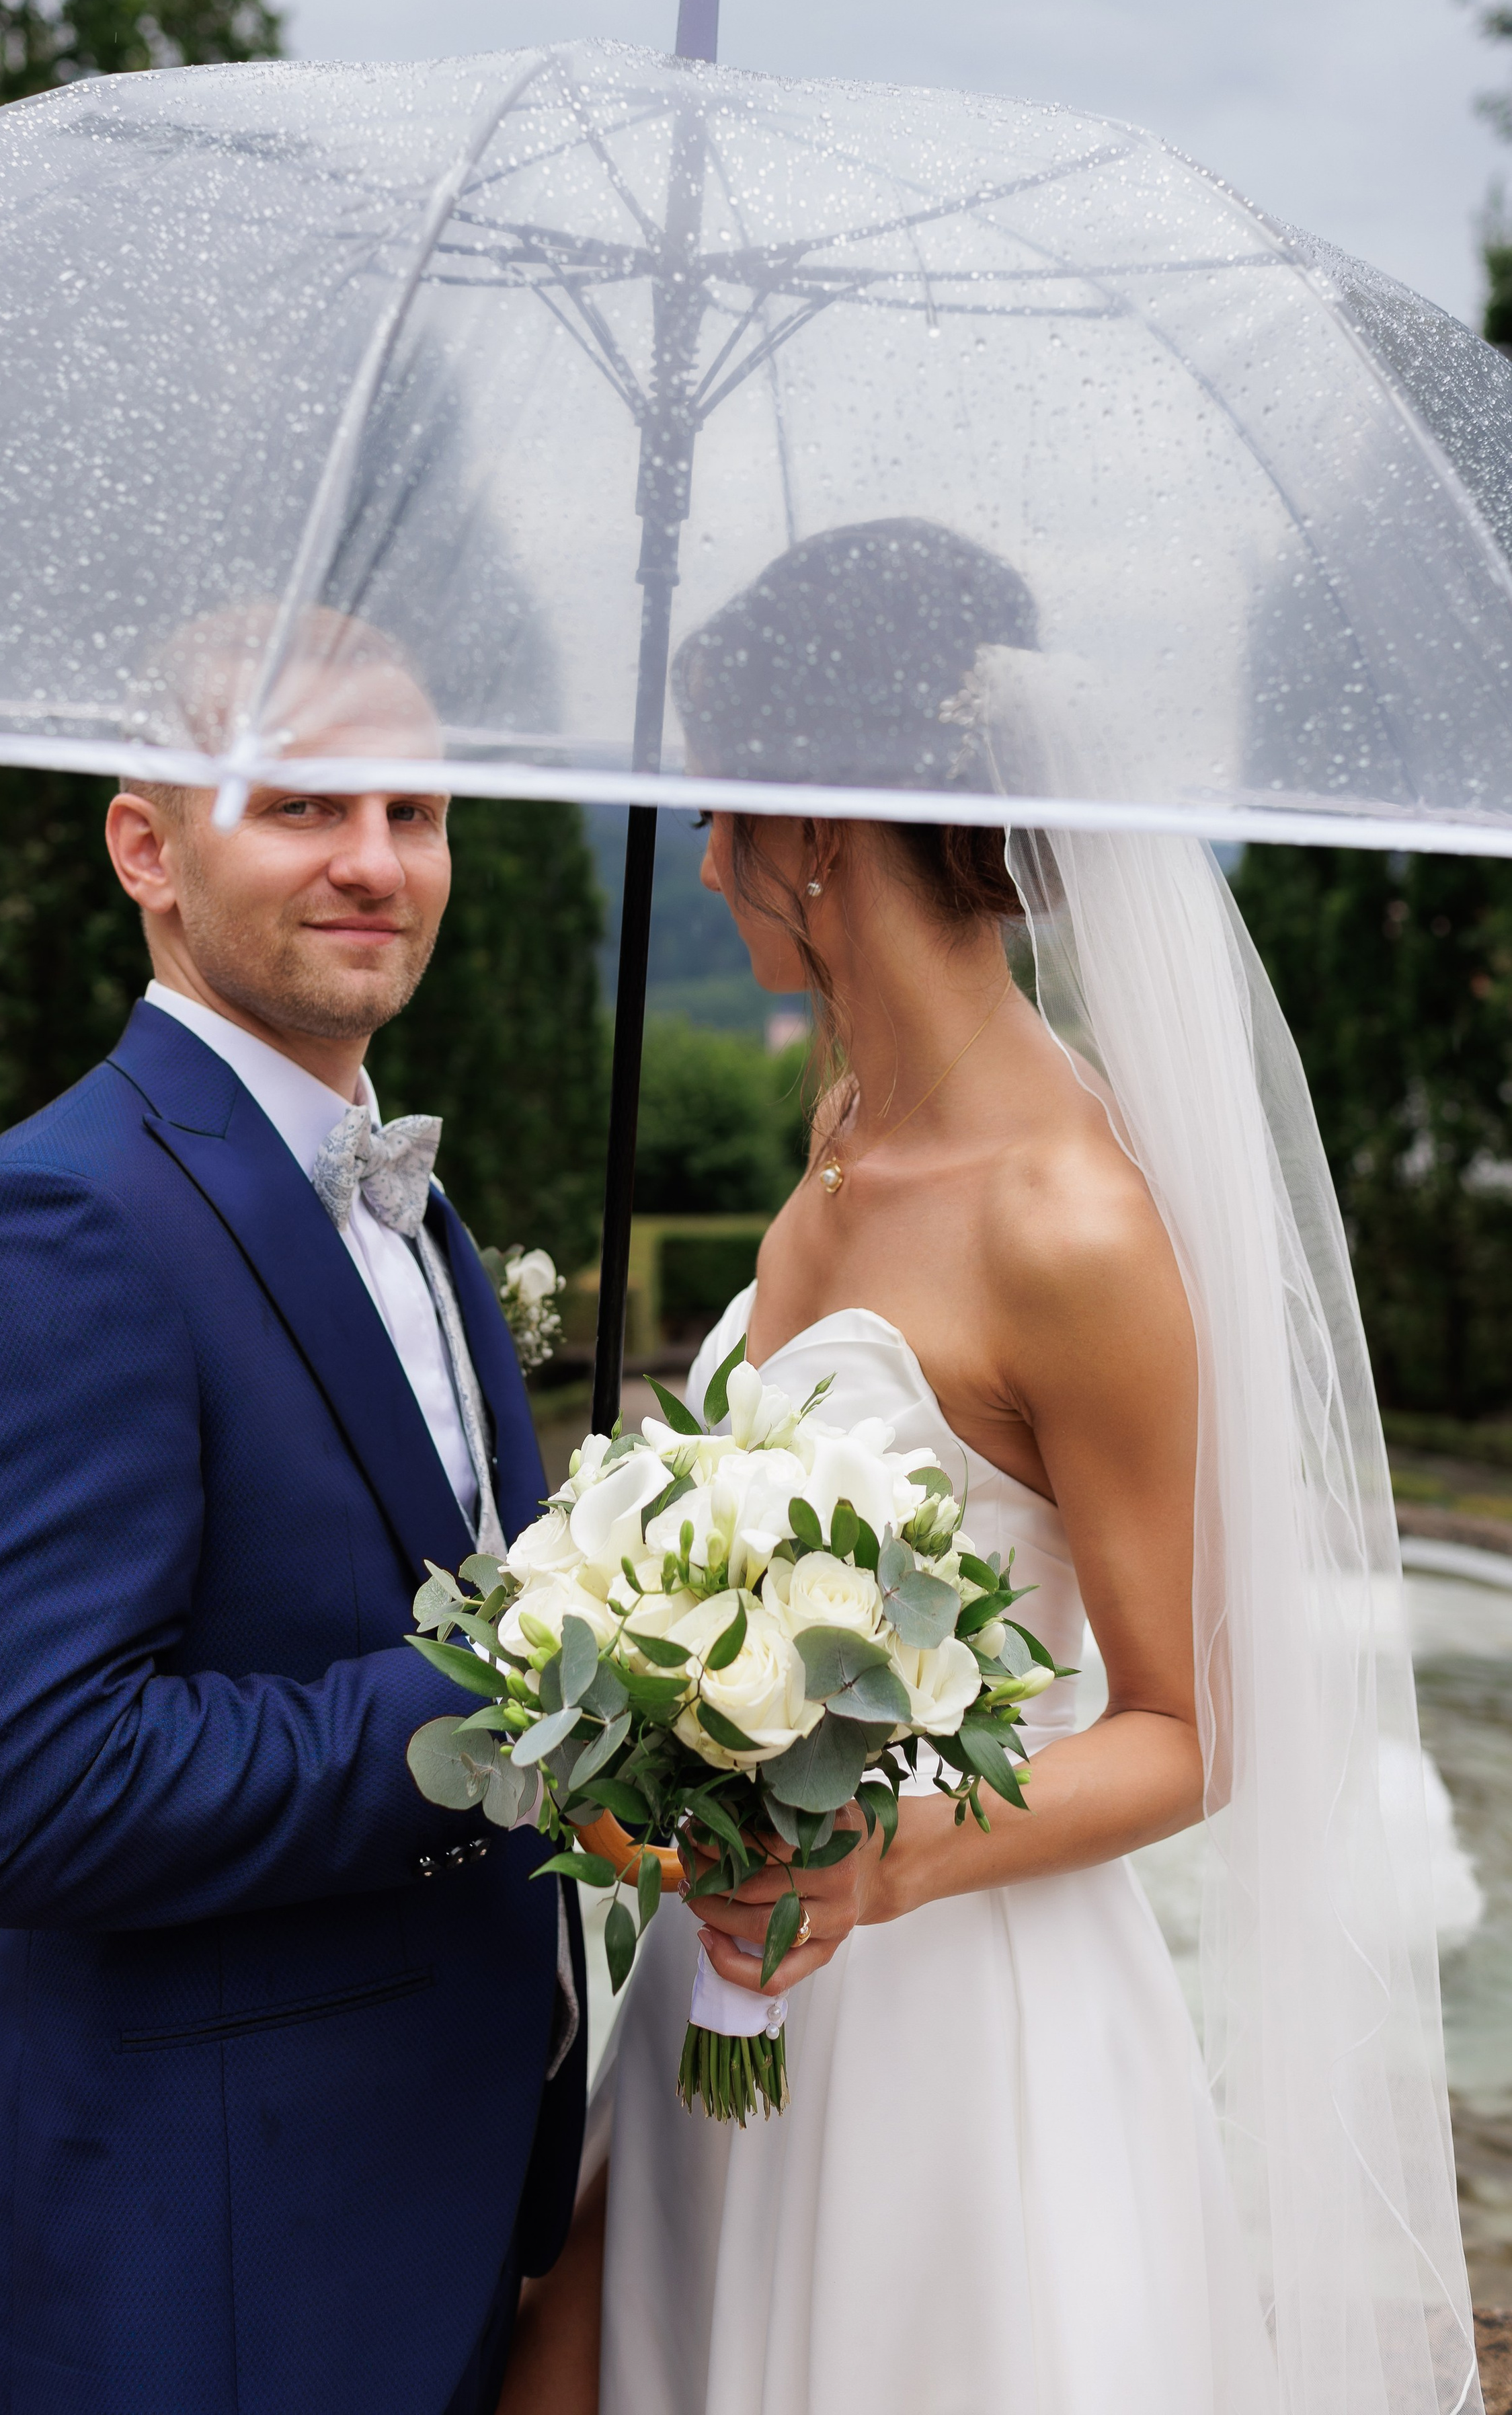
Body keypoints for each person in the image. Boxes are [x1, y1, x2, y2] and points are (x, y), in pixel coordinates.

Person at [503, 524, 1479, 2415]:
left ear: (815, 826)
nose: (699, 863)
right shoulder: (840, 1134)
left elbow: (1194, 1727)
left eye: (714, 813)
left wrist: (883, 1863)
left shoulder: (1071, 1222)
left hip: (952, 2045)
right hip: (727, 2003)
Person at [0, 607, 585, 2415]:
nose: (377, 863)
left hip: (443, 2212)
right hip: (204, 2277)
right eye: (305, 806)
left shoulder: (419, 1210)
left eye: (417, 813)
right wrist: (528, 1691)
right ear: (148, 849)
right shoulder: (58, 1222)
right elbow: (27, 1796)